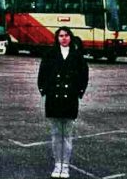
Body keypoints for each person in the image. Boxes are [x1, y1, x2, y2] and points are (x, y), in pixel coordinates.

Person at [37, 27, 89, 179]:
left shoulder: (77, 56)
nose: (64, 38)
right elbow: (42, 74)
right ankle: (57, 164)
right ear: (57, 38)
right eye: (61, 36)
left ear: (71, 37)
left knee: (67, 135)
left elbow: (84, 75)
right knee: (55, 134)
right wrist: (44, 90)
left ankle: (65, 166)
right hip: (54, 99)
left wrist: (79, 92)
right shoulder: (50, 55)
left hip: (70, 100)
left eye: (66, 35)